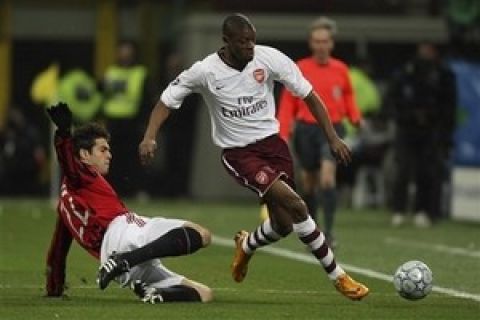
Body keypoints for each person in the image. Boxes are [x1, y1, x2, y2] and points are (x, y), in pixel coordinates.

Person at [137, 13, 369, 300]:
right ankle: (339, 277)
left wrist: (332, 136)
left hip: (274, 146)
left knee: (283, 224)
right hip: (240, 154)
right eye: (243, 42)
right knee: (298, 206)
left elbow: (308, 94)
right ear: (227, 42)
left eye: (252, 40)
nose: (250, 47)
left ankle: (246, 245)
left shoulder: (268, 58)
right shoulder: (205, 71)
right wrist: (150, 136)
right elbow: (166, 100)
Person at [45, 103, 213, 303]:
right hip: (122, 231)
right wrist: (64, 134)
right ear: (84, 155)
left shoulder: (66, 205)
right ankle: (126, 260)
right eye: (102, 149)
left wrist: (54, 288)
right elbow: (68, 162)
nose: (109, 154)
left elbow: (58, 251)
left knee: (204, 293)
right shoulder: (82, 176)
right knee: (203, 235)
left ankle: (156, 294)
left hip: (114, 262)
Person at [277, 17, 362, 247]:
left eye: (325, 41)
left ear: (332, 43)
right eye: (317, 41)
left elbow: (348, 96)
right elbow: (288, 102)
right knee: (309, 183)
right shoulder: (300, 69)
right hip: (305, 131)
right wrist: (283, 132)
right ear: (311, 43)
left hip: (333, 130)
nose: (321, 45)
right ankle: (313, 230)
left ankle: (330, 231)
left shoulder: (341, 69)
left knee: (327, 178)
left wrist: (355, 117)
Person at [387, 43, 456, 227]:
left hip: (432, 131)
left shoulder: (443, 75)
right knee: (403, 170)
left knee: (427, 172)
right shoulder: (405, 73)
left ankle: (424, 211)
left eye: (429, 51)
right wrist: (407, 115)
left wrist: (442, 130)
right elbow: (393, 100)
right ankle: (399, 210)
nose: (426, 55)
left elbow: (449, 107)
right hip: (406, 129)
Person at [102, 40, 151, 197]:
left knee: (133, 158)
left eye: (128, 53)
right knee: (110, 157)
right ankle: (112, 190)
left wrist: (145, 122)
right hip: (112, 122)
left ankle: (136, 189)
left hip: (132, 121)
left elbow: (146, 99)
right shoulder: (110, 72)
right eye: (122, 52)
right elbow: (103, 96)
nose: (125, 56)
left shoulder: (140, 73)